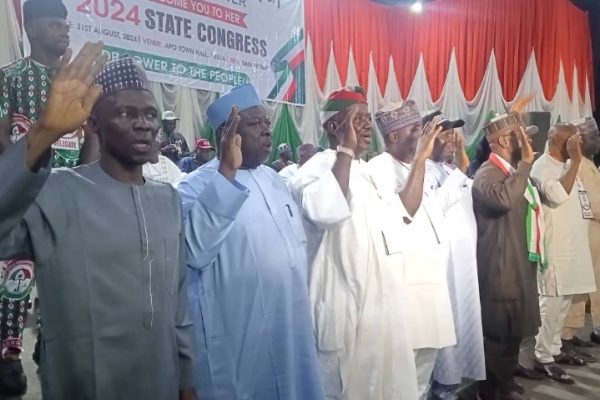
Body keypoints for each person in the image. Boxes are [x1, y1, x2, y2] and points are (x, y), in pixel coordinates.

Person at [0, 45, 197, 400]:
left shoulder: (167, 199)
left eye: (150, 114)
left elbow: (178, 306)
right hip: (85, 383)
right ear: (93, 123)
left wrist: (186, 380)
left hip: (161, 381)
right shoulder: (56, 191)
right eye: (125, 113)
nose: (144, 123)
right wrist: (44, 131)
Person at [178, 83, 324, 400]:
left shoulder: (273, 179)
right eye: (255, 124)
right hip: (237, 327)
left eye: (267, 123)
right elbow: (194, 252)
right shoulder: (192, 187)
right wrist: (227, 172)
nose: (267, 131)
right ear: (226, 133)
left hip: (289, 319)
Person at [294, 87, 419, 400]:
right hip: (340, 305)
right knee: (338, 388)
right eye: (356, 119)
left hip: (377, 307)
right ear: (332, 127)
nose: (366, 126)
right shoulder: (315, 169)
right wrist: (345, 152)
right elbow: (324, 210)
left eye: (367, 119)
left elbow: (398, 220)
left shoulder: (366, 172)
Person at [0, 0, 95, 394]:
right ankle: (7, 356)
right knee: (14, 278)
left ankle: (52, 349)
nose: (65, 31)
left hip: (68, 195)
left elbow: (92, 136)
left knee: (65, 276)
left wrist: (85, 183)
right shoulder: (10, 78)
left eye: (67, 25)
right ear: (33, 30)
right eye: (56, 25)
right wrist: (22, 177)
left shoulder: (79, 83)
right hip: (22, 195)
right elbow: (2, 136)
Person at [367, 102, 458, 400]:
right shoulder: (378, 168)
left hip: (430, 287)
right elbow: (405, 211)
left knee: (422, 374)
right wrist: (422, 156)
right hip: (405, 291)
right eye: (416, 130)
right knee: (401, 378)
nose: (423, 136)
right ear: (394, 136)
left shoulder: (420, 170)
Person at [472, 112, 542, 400]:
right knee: (497, 337)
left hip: (516, 265)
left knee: (513, 334)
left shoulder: (511, 173)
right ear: (502, 140)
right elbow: (502, 200)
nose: (526, 140)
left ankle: (504, 385)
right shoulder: (486, 174)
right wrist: (526, 164)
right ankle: (490, 392)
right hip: (499, 269)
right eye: (520, 134)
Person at [420, 112, 487, 398]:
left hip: (464, 263)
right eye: (443, 134)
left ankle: (454, 379)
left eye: (452, 134)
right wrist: (460, 168)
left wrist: (459, 162)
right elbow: (435, 207)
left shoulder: (448, 170)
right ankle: (441, 385)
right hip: (442, 264)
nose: (450, 139)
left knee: (463, 319)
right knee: (445, 321)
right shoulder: (420, 170)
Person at [530, 123, 596, 382]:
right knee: (551, 305)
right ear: (558, 140)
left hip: (574, 247)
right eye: (573, 141)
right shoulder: (542, 166)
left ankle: (554, 350)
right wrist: (576, 159)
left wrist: (574, 162)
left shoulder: (569, 166)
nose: (578, 145)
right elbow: (556, 194)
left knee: (564, 304)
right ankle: (542, 357)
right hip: (555, 249)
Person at [562, 117, 600, 346]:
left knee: (592, 284)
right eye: (594, 137)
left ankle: (581, 331)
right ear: (580, 140)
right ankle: (567, 335)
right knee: (581, 286)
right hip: (586, 233)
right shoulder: (577, 166)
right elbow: (592, 205)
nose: (598, 141)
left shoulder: (589, 164)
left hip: (594, 234)